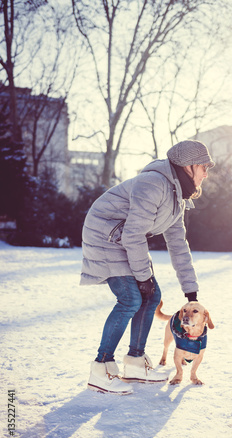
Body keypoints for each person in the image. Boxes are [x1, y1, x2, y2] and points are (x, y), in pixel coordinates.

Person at [80, 139, 215, 394]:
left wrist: (191, 292)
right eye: (203, 167)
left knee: (152, 296)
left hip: (124, 238)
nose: (207, 173)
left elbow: (178, 245)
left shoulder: (177, 198)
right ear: (188, 167)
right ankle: (102, 368)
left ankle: (134, 362)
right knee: (131, 298)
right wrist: (143, 278)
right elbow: (132, 235)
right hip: (104, 235)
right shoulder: (153, 184)